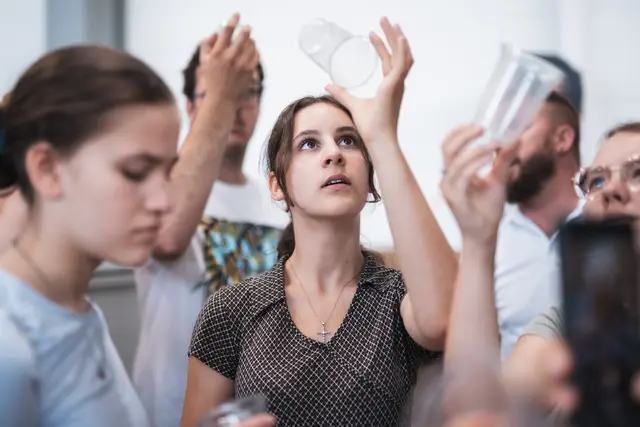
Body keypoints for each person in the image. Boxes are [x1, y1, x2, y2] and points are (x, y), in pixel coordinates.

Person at [180, 17, 457, 427]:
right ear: (277, 186)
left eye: (348, 140)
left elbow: (445, 321)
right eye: (309, 143)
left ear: (371, 181)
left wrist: (382, 137)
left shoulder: (398, 297)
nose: (334, 154)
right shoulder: (231, 310)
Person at [0, 45, 180, 426]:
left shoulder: (75, 310)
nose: (163, 201)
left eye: (167, 173)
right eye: (135, 172)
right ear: (47, 169)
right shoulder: (9, 345)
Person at [132, 14, 288, 427]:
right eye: (220, 92)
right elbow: (167, 238)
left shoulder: (278, 199)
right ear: (190, 106)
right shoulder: (157, 186)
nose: (235, 106)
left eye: (247, 93)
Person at [441, 121, 640, 419]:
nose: (611, 189)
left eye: (638, 173)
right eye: (597, 181)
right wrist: (477, 242)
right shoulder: (571, 327)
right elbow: (476, 415)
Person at [493, 92, 583, 359]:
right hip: (513, 385)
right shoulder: (488, 239)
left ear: (562, 139)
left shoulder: (605, 223)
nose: (503, 147)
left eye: (518, 128)